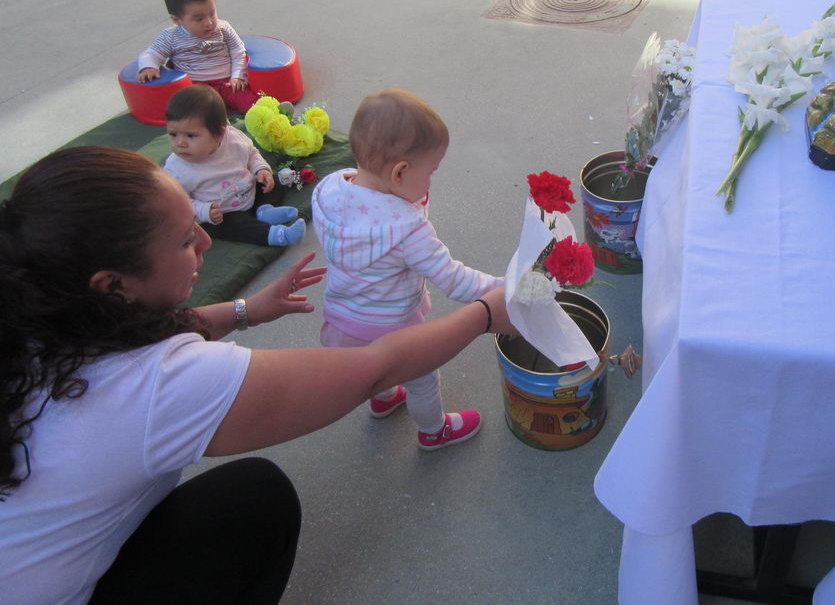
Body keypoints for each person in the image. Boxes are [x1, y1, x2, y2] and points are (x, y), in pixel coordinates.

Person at [0, 146, 512, 604]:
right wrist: (484, 315)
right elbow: (371, 371)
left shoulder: (39, 309)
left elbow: (144, 331)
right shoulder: (160, 386)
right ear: (112, 284)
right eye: (183, 242)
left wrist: (247, 310)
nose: (205, 240)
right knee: (256, 501)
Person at [312, 89, 503, 450]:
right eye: (430, 172)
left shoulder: (330, 191)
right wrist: (502, 288)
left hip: (342, 319)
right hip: (394, 328)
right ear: (399, 172)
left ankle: (382, 397)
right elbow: (455, 280)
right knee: (423, 380)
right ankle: (434, 431)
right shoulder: (406, 229)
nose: (431, 181)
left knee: (374, 369)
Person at [164, 84, 305, 247]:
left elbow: (251, 153)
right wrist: (204, 211)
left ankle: (265, 210)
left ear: (220, 134)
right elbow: (178, 202)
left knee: (271, 180)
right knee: (237, 226)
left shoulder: (233, 139)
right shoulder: (176, 169)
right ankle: (279, 235)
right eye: (173, 134)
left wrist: (261, 169)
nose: (180, 143)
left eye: (190, 136)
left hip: (248, 190)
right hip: (223, 213)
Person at [137, 0, 258, 113]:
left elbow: (238, 52)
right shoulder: (171, 37)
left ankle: (270, 116)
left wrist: (237, 76)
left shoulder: (223, 28)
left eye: (212, 13)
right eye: (199, 19)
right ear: (177, 20)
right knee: (199, 112)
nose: (209, 22)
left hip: (228, 83)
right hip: (195, 88)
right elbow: (152, 53)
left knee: (249, 101)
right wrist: (148, 67)